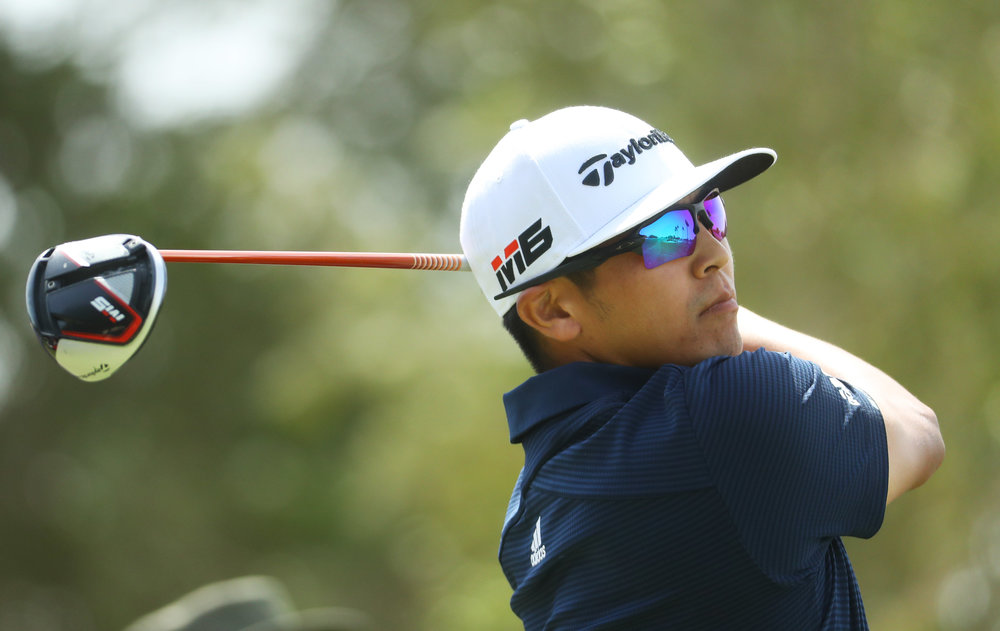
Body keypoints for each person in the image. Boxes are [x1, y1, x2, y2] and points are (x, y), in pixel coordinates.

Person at [458, 105, 944, 630]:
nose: (714, 252)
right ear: (552, 310)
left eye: (710, 213)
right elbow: (916, 431)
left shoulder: (528, 510)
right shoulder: (729, 416)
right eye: (665, 234)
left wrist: (707, 308)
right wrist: (732, 313)